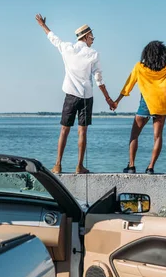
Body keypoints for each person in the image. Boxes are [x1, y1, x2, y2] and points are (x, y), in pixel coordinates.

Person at [35, 13, 116, 174]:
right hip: (86, 97)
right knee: (82, 131)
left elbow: (53, 38)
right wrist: (108, 99)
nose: (93, 38)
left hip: (70, 95)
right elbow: (99, 79)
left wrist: (42, 25)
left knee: (64, 130)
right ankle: (79, 166)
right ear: (86, 37)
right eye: (91, 35)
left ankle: (57, 165)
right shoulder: (93, 54)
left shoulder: (67, 48)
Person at [114, 17, 166, 174]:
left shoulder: (140, 67)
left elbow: (128, 84)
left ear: (146, 54)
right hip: (162, 105)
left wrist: (117, 101)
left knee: (134, 135)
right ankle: (150, 168)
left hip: (146, 104)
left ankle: (131, 165)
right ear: (162, 52)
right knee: (157, 137)